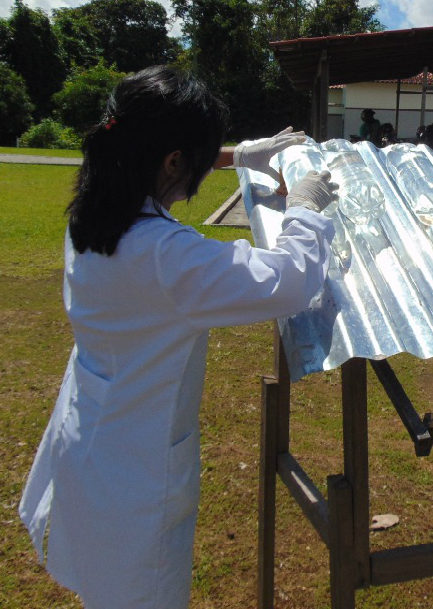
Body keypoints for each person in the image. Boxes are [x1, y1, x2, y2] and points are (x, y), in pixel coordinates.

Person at [18, 65, 338, 609]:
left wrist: (240, 155)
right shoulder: (167, 257)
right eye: (197, 159)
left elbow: (157, 152)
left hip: (92, 438)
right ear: (171, 161)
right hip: (135, 476)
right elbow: (289, 282)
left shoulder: (94, 213)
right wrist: (304, 209)